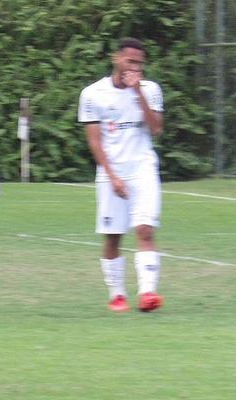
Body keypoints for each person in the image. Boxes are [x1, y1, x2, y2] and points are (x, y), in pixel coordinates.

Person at [78, 37, 164, 313]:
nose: (134, 67)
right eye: (130, 61)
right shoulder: (93, 94)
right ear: (117, 59)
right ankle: (117, 294)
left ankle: (148, 293)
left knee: (145, 229)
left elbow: (156, 129)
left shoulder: (150, 90)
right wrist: (112, 176)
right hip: (111, 171)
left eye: (139, 63)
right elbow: (94, 141)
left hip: (143, 169)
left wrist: (137, 93)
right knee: (113, 236)